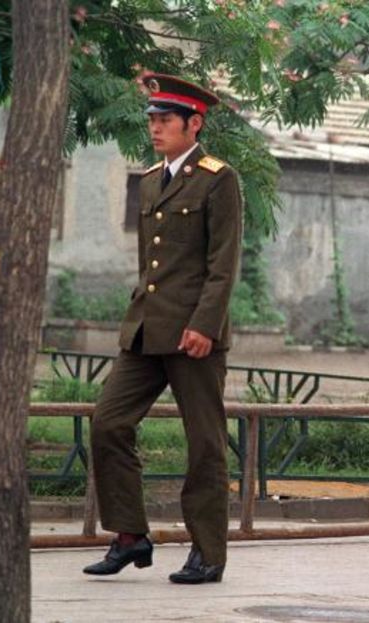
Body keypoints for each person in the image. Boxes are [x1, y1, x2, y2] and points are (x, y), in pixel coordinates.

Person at [83, 73, 243, 584]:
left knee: (205, 444)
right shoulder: (151, 178)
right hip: (147, 331)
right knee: (108, 422)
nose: (155, 128)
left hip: (194, 335)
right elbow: (150, 266)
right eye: (151, 119)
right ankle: (130, 535)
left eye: (165, 120)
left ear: (194, 124)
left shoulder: (220, 179)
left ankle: (208, 552)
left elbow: (224, 263)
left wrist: (205, 325)